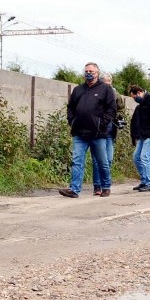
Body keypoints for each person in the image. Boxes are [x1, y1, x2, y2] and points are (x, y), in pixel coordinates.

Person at [61, 62, 116, 198]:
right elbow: (70, 107)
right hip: (79, 133)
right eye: (86, 71)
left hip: (97, 134)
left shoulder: (105, 89)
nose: (88, 73)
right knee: (77, 161)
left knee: (102, 162)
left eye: (91, 71)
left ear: (97, 73)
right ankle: (74, 189)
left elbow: (111, 109)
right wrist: (72, 121)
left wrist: (102, 123)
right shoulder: (78, 90)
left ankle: (106, 186)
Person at [91, 73, 125, 196]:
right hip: (98, 131)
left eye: (109, 84)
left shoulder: (115, 94)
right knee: (97, 160)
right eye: (106, 85)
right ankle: (98, 186)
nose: (108, 87)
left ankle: (105, 184)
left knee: (108, 159)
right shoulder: (94, 93)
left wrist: (117, 116)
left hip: (110, 132)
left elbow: (121, 107)